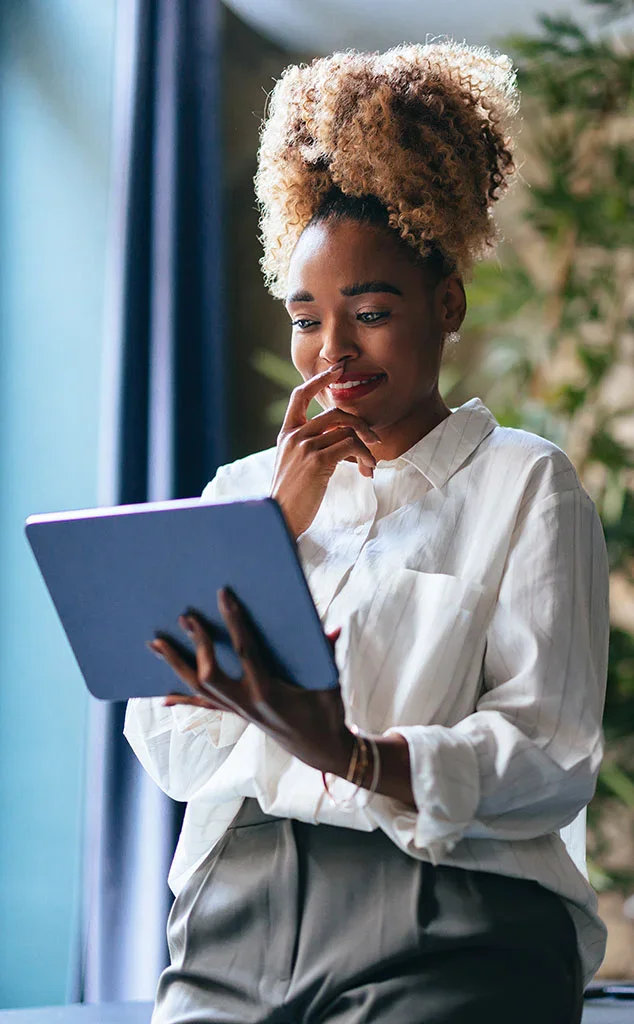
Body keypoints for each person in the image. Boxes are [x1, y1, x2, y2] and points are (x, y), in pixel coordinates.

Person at [124, 40, 609, 1024]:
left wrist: (355, 754)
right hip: (237, 910)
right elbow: (166, 739)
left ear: (447, 305)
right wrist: (274, 533)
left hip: (457, 905)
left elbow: (548, 759)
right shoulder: (242, 491)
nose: (332, 350)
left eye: (371, 310)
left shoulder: (524, 485)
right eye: (307, 317)